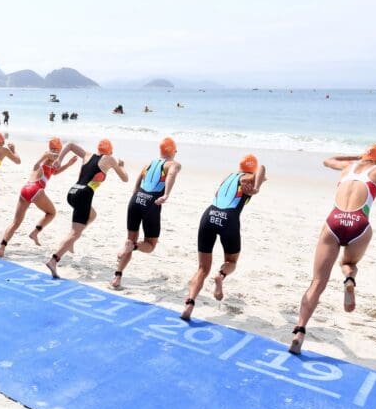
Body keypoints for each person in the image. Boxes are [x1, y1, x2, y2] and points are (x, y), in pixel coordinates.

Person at [290, 144, 376, 354]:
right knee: (348, 263)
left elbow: (328, 160)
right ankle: (349, 279)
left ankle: (299, 330)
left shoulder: (348, 168)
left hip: (334, 222)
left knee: (317, 282)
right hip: (359, 224)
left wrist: (357, 157)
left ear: (364, 156)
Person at [180, 155, 266, 320]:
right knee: (231, 262)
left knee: (202, 268)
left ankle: (189, 303)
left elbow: (261, 175)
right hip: (229, 219)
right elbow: (262, 169)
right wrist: (257, 188)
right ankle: (220, 275)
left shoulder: (230, 177)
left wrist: (259, 180)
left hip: (209, 215)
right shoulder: (249, 178)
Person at [45, 139, 129, 278]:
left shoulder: (87, 155)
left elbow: (70, 145)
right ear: (110, 151)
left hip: (73, 192)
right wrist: (121, 166)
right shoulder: (110, 159)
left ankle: (70, 241)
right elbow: (125, 178)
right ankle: (53, 260)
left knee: (92, 215)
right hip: (84, 195)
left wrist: (60, 159)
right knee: (75, 232)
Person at [111, 137, 182, 289]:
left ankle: (117, 277)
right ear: (174, 151)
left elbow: (137, 184)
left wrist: (136, 198)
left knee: (130, 239)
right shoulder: (173, 164)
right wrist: (166, 194)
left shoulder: (149, 164)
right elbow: (171, 175)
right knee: (150, 245)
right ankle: (133, 247)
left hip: (136, 200)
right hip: (151, 204)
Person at [0, 137, 78, 257]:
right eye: (57, 149)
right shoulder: (49, 155)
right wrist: (61, 154)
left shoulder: (49, 160)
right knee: (51, 213)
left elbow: (54, 172)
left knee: (16, 222)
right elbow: (52, 156)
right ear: (56, 148)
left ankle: (2, 247)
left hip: (25, 189)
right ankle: (35, 232)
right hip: (36, 189)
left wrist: (68, 164)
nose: (57, 152)